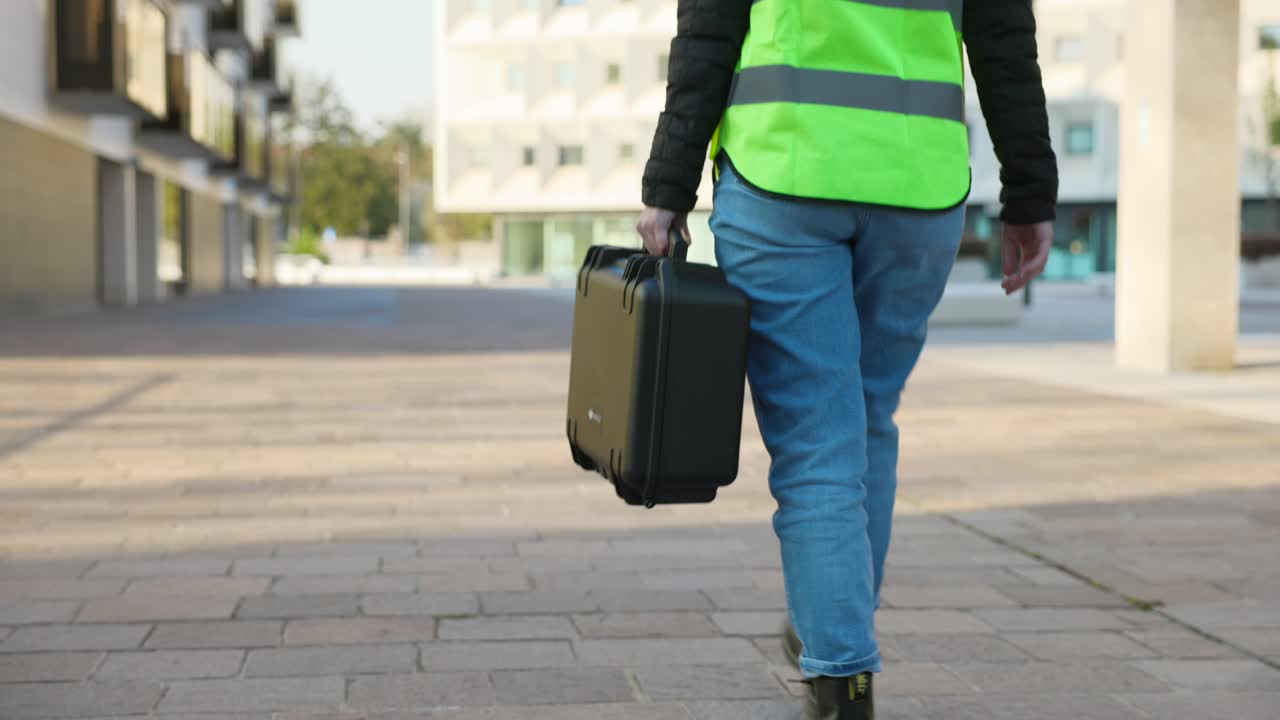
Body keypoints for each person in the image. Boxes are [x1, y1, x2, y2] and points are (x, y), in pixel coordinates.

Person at [636, 2, 1058, 718]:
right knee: (864, 420)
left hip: (783, 176)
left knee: (816, 443)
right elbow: (1005, 44)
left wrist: (667, 185)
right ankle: (832, 630)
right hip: (918, 189)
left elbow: (707, 36)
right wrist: (1029, 192)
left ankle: (841, 675)